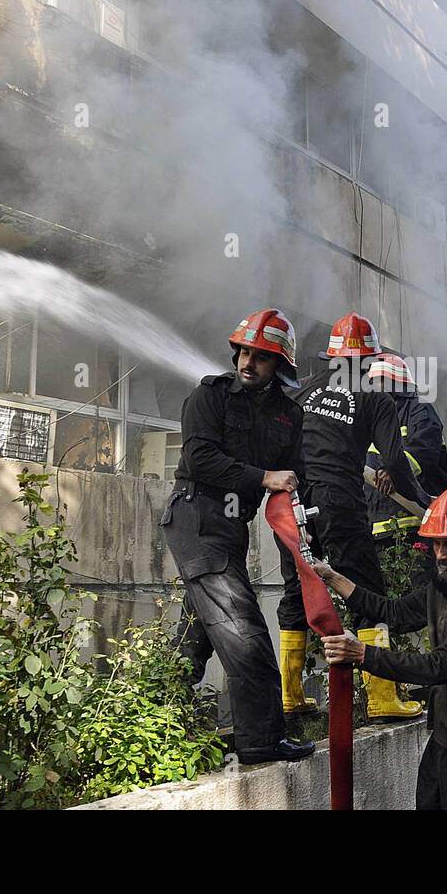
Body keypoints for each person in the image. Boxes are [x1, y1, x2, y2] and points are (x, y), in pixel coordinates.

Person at [161, 308, 314, 765]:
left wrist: (302, 537)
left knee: (195, 636)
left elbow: (294, 476)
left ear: (279, 365)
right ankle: (261, 743)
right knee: (245, 634)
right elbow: (201, 459)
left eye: (261, 356)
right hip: (197, 517)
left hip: (231, 528)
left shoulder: (289, 415)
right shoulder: (209, 397)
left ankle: (148, 717)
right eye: (244, 351)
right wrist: (265, 476)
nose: (248, 362)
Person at [314, 487, 447, 809]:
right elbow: (393, 612)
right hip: (444, 739)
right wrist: (332, 578)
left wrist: (364, 655)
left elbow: (442, 665)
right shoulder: (440, 588)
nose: (440, 554)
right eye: (436, 543)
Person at [276, 312, 433, 721]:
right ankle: (383, 698)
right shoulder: (374, 399)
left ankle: (289, 698)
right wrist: (421, 500)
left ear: (331, 357)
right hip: (339, 502)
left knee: (296, 590)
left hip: (291, 505)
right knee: (366, 590)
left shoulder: (300, 393)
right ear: (370, 361)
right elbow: (395, 461)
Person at [364, 354, 447, 594]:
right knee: (385, 605)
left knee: (421, 603)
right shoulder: (372, 418)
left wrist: (395, 472)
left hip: (417, 529)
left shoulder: (420, 410)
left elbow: (423, 450)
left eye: (380, 381)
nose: (374, 388)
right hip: (378, 532)